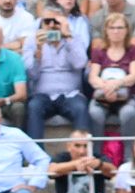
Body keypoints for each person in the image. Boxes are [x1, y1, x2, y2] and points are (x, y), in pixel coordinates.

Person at [24, 9, 89, 142]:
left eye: (56, 21)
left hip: (70, 94)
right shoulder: (32, 41)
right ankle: (36, 158)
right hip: (42, 96)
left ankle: (84, 154)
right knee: (33, 106)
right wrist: (38, 51)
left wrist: (68, 37)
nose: (52, 25)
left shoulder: (74, 38)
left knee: (81, 107)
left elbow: (80, 64)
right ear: (41, 23)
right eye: (47, 21)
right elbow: (32, 74)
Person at [86, 13, 135, 142]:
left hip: (128, 97)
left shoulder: (134, 50)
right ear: (106, 30)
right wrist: (107, 88)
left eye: (120, 28)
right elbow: (93, 77)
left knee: (128, 113)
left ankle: (129, 157)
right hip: (103, 97)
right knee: (95, 113)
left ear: (127, 30)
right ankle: (97, 155)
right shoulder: (99, 51)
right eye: (112, 28)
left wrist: (116, 84)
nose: (116, 31)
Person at [48, 130, 114, 193]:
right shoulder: (62, 157)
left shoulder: (97, 158)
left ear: (91, 146)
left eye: (86, 146)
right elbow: (51, 171)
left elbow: (114, 172)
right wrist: (75, 164)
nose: (82, 151)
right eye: (77, 145)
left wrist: (99, 164)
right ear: (69, 146)